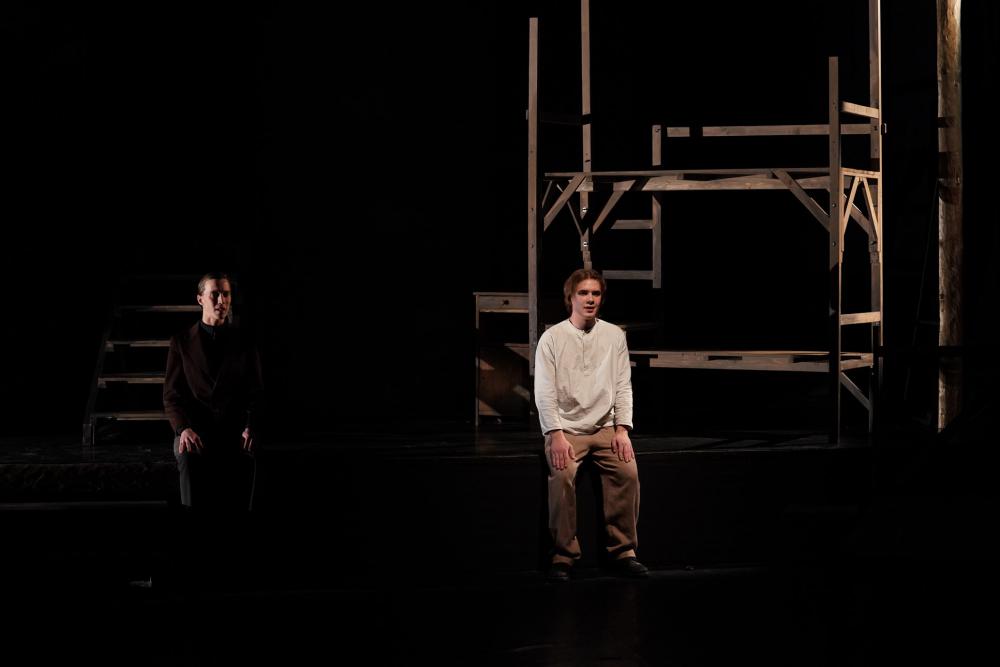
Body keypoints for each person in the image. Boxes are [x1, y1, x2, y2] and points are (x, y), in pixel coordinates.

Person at [534, 268, 648, 581]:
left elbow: (623, 385)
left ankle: (623, 551)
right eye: (583, 293)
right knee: (562, 475)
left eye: (595, 293)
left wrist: (623, 429)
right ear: (570, 297)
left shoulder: (614, 335)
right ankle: (563, 555)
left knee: (627, 472)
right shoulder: (552, 338)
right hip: (566, 428)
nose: (590, 299)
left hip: (605, 427)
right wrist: (555, 434)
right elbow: (544, 391)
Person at [164, 272, 263, 512]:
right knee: (187, 455)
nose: (222, 300)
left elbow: (256, 392)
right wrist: (183, 429)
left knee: (247, 456)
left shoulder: (244, 341)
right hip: (196, 429)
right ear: (200, 299)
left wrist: (250, 425)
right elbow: (172, 396)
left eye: (226, 294)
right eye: (215, 294)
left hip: (233, 429)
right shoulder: (181, 342)